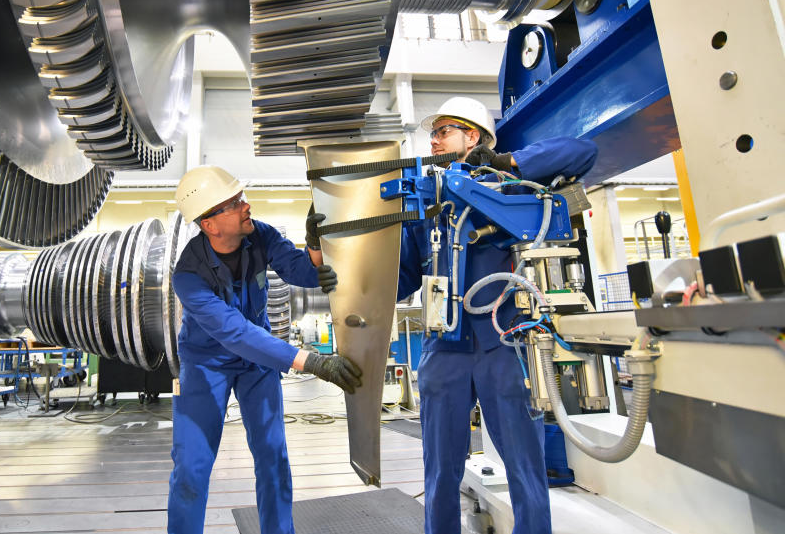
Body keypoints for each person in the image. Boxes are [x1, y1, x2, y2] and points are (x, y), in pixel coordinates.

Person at [398, 97, 598, 534]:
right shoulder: (425, 204)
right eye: (432, 133)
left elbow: (584, 151)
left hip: (499, 343)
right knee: (439, 474)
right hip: (442, 349)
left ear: (474, 136)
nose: (434, 139)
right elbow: (401, 280)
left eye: (445, 130)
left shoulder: (507, 189)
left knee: (526, 468)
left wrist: (506, 162)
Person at [168, 165, 363, 534]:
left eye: (241, 197)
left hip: (257, 363)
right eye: (234, 202)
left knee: (273, 455)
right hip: (206, 364)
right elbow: (234, 332)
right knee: (191, 466)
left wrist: (316, 244)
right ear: (210, 223)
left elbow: (300, 272)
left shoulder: (260, 235)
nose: (246, 205)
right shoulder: (188, 276)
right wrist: (313, 362)